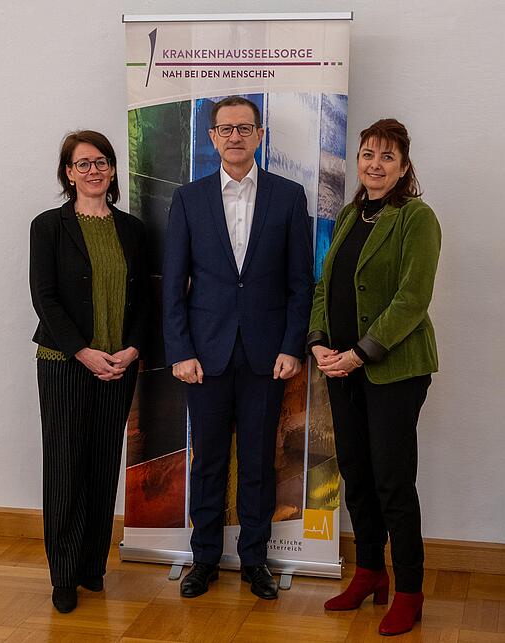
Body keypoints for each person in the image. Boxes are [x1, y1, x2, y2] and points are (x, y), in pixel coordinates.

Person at [162, 96, 313, 600]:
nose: (234, 136)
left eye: (244, 128)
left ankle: (255, 562)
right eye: (225, 129)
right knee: (207, 463)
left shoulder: (289, 198)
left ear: (259, 135)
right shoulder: (188, 199)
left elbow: (300, 284)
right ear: (212, 137)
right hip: (203, 358)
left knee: (256, 463)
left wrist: (293, 346)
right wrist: (180, 350)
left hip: (266, 358)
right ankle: (203, 560)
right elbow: (174, 284)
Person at [308, 119, 440, 636]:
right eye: (367, 154)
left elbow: (413, 298)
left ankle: (408, 590)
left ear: (404, 165)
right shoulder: (347, 214)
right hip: (340, 368)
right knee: (356, 475)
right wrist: (318, 339)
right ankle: (368, 573)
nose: (375, 164)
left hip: (392, 372)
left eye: (387, 156)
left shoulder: (417, 218)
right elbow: (326, 284)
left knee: (392, 481)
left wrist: (360, 353)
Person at [29, 130, 148, 613]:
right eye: (82, 164)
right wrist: (82, 351)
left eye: (101, 162)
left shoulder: (133, 230)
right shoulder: (48, 226)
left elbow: (144, 297)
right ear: (67, 173)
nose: (93, 170)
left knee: (102, 465)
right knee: (65, 468)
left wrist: (134, 348)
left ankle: (91, 568)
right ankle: (63, 576)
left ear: (114, 170)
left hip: (119, 367)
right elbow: (45, 297)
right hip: (64, 364)